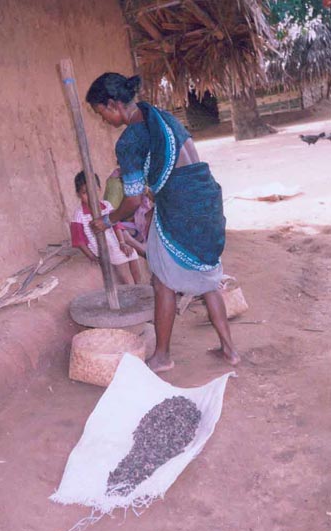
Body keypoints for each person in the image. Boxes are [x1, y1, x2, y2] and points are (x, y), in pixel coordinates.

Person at [86, 73, 240, 372]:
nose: (103, 119)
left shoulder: (130, 140)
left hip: (180, 212)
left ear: (114, 104)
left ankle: (162, 356)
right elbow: (174, 161)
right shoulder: (161, 117)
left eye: (101, 112)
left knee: (162, 284)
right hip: (206, 200)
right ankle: (230, 350)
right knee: (208, 280)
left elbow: (131, 203)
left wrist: (107, 220)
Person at [70, 170, 141, 284]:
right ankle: (127, 288)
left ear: (99, 189)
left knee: (133, 255)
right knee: (120, 264)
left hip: (115, 241)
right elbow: (79, 241)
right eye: (85, 192)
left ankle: (139, 286)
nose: (90, 195)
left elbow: (116, 225)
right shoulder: (79, 215)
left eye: (93, 190)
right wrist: (92, 257)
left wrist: (122, 243)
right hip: (100, 246)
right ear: (78, 194)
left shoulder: (106, 205)